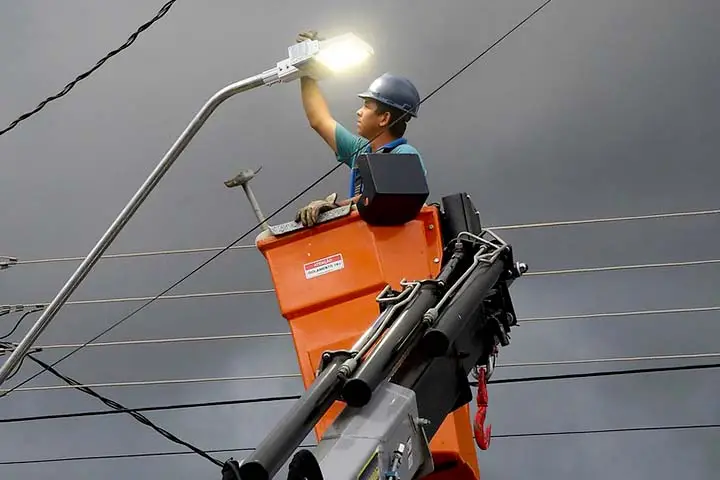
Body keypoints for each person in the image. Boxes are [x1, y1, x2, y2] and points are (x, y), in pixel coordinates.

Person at [294, 31, 426, 227]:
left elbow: (385, 198)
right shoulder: (361, 150)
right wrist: (307, 69)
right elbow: (319, 120)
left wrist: (336, 207)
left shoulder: (404, 155)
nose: (359, 112)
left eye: (367, 106)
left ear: (384, 118)